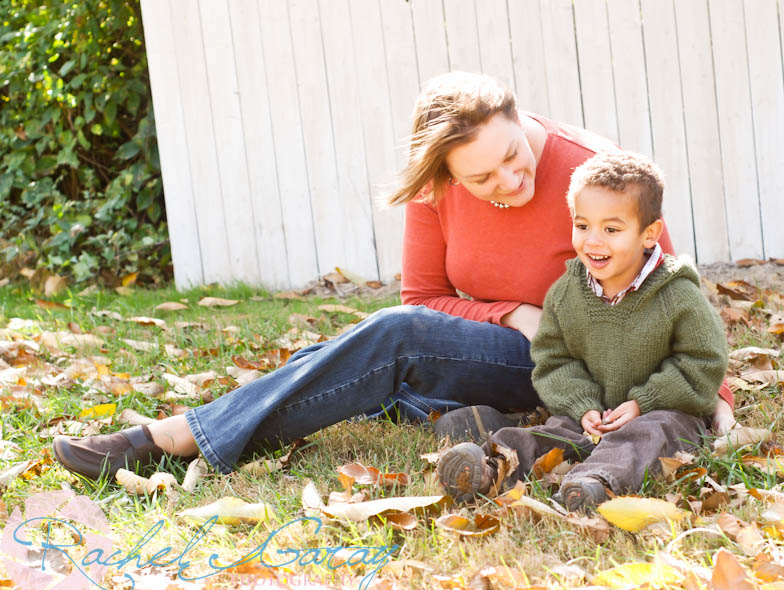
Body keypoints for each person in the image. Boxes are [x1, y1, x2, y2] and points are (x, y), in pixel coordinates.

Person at [52, 72, 735, 482]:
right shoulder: (436, 193)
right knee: (375, 349)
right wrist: (508, 315)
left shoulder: (595, 171)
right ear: (448, 177)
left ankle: (169, 438)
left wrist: (716, 394)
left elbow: (671, 288)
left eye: (511, 153)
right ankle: (476, 416)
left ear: (519, 118)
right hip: (515, 354)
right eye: (481, 178)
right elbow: (425, 301)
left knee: (387, 346)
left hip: (593, 363)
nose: (508, 180)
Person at [437, 150, 729, 512]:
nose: (593, 241)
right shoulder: (568, 292)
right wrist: (582, 404)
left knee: (648, 436)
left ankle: (595, 482)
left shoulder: (676, 294)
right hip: (593, 411)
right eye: (582, 225)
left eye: (611, 229)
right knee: (554, 431)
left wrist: (645, 401)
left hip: (666, 411)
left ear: (649, 234)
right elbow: (554, 359)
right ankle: (488, 466)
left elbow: (703, 362)